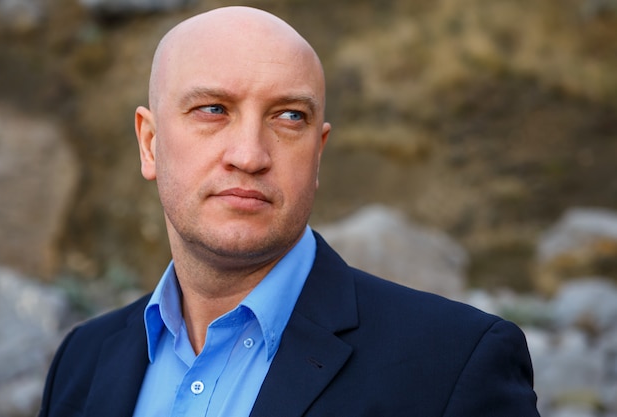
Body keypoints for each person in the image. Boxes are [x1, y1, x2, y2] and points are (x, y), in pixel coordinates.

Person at [38, 6, 540, 417]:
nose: (250, 155)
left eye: (288, 117)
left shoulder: (454, 364)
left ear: (317, 154)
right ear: (150, 144)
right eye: (213, 110)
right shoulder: (81, 362)